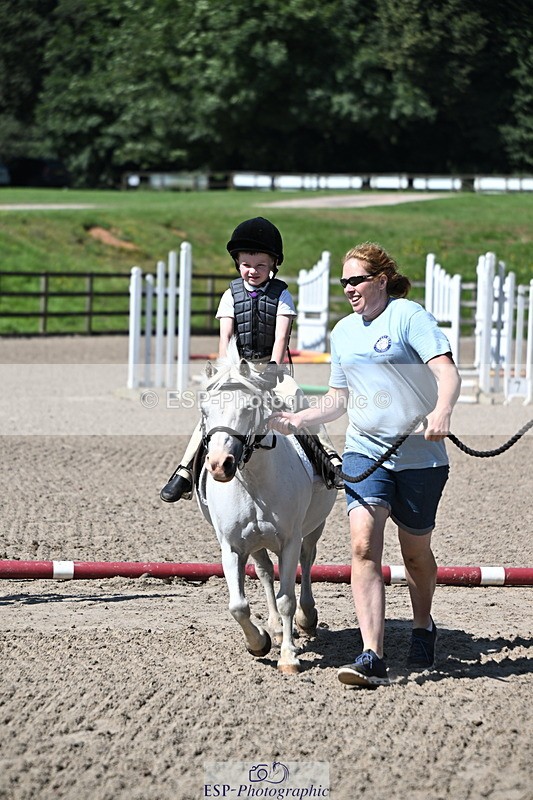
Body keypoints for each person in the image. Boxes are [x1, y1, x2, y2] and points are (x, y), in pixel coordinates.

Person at [269, 242, 461, 688]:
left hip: (420, 459)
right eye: (344, 282)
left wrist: (444, 410)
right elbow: (339, 399)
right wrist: (299, 418)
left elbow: (446, 371)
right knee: (362, 546)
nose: (348, 288)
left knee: (415, 553)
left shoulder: (409, 317)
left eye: (356, 280)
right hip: (365, 452)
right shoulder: (343, 332)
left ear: (380, 279)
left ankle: (422, 625)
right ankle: (372, 652)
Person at [160, 216, 342, 503]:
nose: (252, 271)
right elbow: (225, 338)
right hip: (238, 370)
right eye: (246, 264)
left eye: (260, 266)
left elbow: (281, 337)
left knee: (296, 398)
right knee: (216, 415)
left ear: (272, 265)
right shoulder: (229, 296)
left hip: (271, 370)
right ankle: (185, 472)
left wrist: (272, 368)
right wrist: (225, 374)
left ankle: (329, 460)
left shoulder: (282, 295)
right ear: (237, 263)